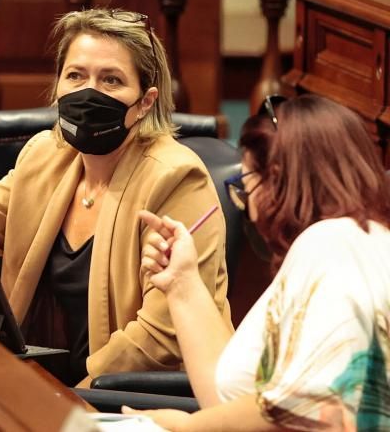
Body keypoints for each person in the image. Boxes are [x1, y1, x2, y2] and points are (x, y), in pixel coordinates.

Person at [0, 8, 231, 386]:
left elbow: (160, 336)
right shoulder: (46, 155)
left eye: (111, 80)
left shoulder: (175, 179)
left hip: (124, 398)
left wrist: (69, 400)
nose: (88, 92)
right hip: (42, 385)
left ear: (145, 102)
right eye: (76, 76)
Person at [134, 95, 390, 431]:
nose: (248, 205)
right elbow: (232, 397)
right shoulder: (361, 241)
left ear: (277, 178)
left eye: (246, 184)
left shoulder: (331, 243)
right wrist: (182, 283)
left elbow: (308, 404)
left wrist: (187, 428)